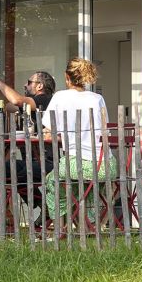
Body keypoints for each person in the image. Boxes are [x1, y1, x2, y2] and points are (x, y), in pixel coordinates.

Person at [42, 58, 117, 226]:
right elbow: (103, 130)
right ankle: (89, 224)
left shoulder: (60, 97)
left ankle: (61, 226)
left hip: (77, 165)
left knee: (53, 181)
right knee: (87, 185)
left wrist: (66, 137)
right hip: (105, 165)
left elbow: (48, 134)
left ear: (67, 77)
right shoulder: (98, 98)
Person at [0, 66, 57, 228]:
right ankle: (5, 214)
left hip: (49, 161)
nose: (25, 85)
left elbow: (16, 101)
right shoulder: (33, 103)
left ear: (40, 86)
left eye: (29, 82)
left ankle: (46, 208)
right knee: (0, 169)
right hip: (37, 159)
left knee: (16, 172)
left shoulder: (45, 100)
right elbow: (9, 105)